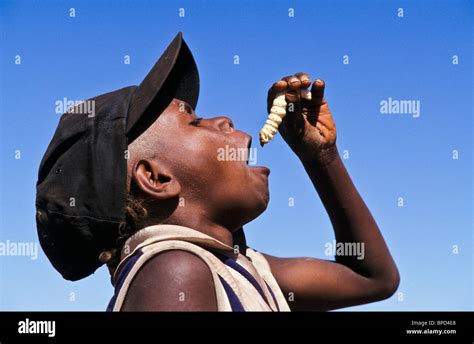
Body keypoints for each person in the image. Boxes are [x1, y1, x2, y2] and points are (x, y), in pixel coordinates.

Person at [36, 33, 399, 311]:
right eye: (194, 122)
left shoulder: (243, 267)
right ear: (157, 178)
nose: (224, 120)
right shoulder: (174, 271)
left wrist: (322, 157)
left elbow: (373, 278)